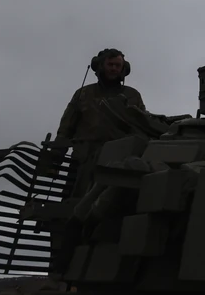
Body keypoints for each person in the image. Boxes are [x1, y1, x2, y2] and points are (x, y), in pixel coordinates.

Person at [55, 48, 146, 197]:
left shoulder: (132, 95)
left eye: (117, 65)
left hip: (118, 161)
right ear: (100, 65)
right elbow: (66, 128)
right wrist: (56, 156)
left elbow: (143, 126)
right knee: (73, 200)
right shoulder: (83, 93)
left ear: (124, 68)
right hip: (83, 160)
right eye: (110, 64)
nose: (114, 69)